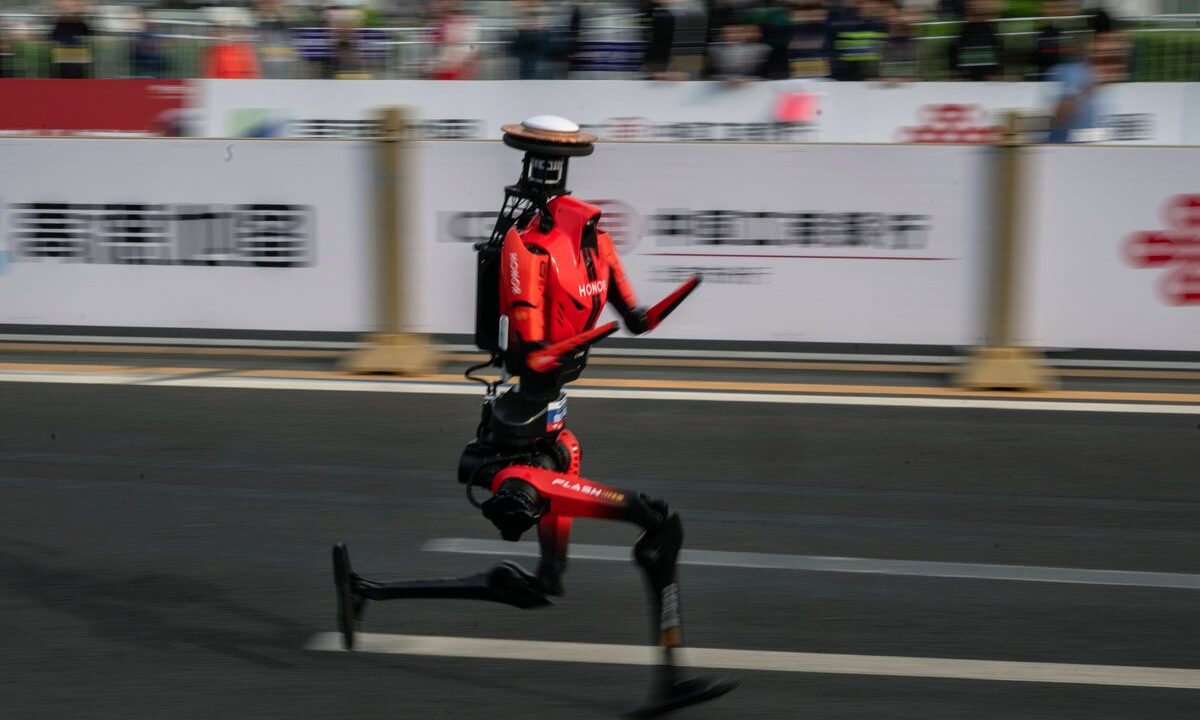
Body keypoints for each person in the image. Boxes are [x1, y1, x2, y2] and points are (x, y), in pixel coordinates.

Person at [333, 115, 735, 717]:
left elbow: (638, 318)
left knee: (546, 585)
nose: (549, 179)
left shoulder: (594, 237)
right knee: (658, 522)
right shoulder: (523, 245)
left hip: (554, 440)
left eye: (555, 168)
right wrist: (576, 341)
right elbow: (529, 350)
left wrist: (688, 288)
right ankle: (672, 682)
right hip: (512, 455)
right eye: (542, 167)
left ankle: (368, 590)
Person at [1046, 10, 1129, 144]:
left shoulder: (1103, 76)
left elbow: (1090, 132)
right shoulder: (1066, 72)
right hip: (1061, 156)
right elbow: (1057, 120)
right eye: (1105, 41)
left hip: (1088, 155)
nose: (1113, 50)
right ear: (1091, 42)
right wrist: (1092, 86)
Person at [950, 0, 1002, 81]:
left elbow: (997, 48)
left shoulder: (988, 29)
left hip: (985, 70)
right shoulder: (964, 30)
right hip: (970, 71)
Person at [787, 1, 832, 79]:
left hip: (823, 76)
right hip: (799, 75)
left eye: (817, 13)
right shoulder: (794, 30)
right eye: (810, 12)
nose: (814, 15)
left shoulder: (829, 30)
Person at [49, 0, 93, 79]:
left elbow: (53, 36)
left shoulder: (62, 22)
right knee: (77, 75)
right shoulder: (80, 22)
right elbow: (88, 34)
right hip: (76, 55)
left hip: (67, 55)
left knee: (65, 75)